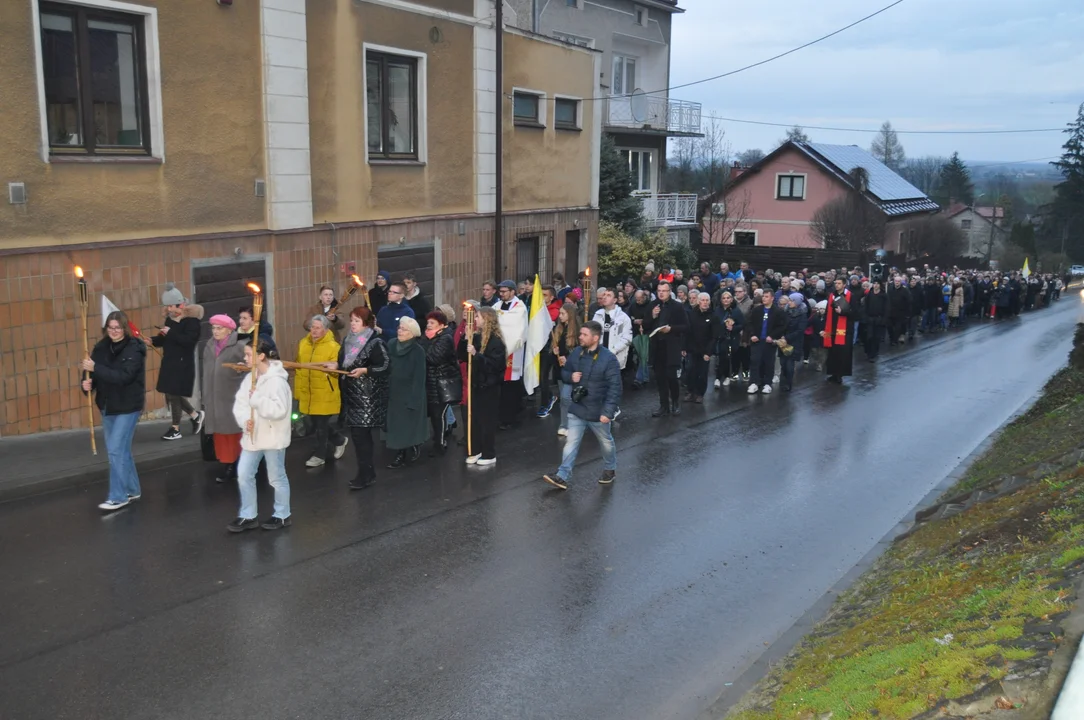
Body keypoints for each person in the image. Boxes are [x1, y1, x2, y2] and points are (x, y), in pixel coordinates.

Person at [542, 320, 621, 490]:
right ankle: (562, 476)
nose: (580, 337)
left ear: (595, 338)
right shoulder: (577, 352)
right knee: (571, 443)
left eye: (585, 335)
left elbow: (615, 388)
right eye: (581, 334)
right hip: (578, 407)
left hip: (598, 410)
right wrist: (571, 377)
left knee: (606, 442)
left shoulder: (609, 359)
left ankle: (610, 468)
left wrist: (608, 412)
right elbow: (564, 372)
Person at [82, 311, 147, 512]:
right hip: (108, 406)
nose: (114, 331)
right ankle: (132, 489)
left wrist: (96, 369)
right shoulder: (100, 347)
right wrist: (86, 384)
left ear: (125, 328)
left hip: (128, 406)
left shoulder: (134, 348)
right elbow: (90, 373)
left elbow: (124, 377)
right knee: (121, 451)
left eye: (117, 327)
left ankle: (118, 496)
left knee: (115, 450)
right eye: (110, 328)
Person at [228, 339, 293, 532]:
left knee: (276, 477)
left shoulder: (277, 381)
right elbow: (240, 404)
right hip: (253, 435)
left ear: (261, 356)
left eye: (249, 354)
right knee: (244, 474)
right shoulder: (250, 378)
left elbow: (279, 410)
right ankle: (248, 515)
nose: (245, 358)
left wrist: (256, 399)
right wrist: (244, 420)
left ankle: (282, 514)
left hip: (272, 436)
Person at [338, 307, 389, 490]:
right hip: (352, 397)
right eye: (351, 320)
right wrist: (334, 365)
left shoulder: (375, 342)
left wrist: (365, 371)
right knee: (358, 437)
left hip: (368, 398)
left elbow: (385, 366)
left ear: (366, 323)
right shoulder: (347, 341)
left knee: (362, 437)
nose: (352, 324)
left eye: (357, 321)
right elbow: (344, 364)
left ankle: (365, 474)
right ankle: (367, 473)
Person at [152, 284, 204, 441]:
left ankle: (175, 428)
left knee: (173, 393)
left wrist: (171, 332)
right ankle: (196, 415)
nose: (169, 309)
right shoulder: (170, 319)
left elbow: (189, 341)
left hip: (183, 362)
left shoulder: (192, 321)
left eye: (171, 306)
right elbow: (164, 338)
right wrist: (153, 340)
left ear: (181, 304)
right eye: (167, 306)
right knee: (170, 393)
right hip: (170, 361)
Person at [296, 315, 348, 467]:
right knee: (314, 423)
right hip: (309, 391)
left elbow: (336, 371)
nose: (314, 330)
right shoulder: (303, 344)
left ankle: (320, 455)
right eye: (312, 327)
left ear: (326, 330)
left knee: (321, 425)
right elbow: (299, 367)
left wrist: (333, 368)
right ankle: (339, 440)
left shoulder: (334, 347)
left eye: (318, 328)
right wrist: (299, 391)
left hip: (325, 391)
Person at [201, 314, 248, 484]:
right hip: (214, 396)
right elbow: (206, 371)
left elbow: (249, 369)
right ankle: (228, 463)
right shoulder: (209, 345)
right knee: (221, 433)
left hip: (232, 396)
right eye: (213, 328)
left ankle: (237, 465)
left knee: (235, 432)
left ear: (229, 330)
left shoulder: (239, 346)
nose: (215, 331)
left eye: (219, 328)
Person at [458, 306, 506, 466]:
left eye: (478, 317)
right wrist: (465, 338)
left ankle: (489, 453)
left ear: (487, 320)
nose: (475, 320)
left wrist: (476, 355)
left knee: (487, 421)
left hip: (489, 387)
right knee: (475, 419)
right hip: (476, 385)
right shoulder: (476, 337)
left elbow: (495, 365)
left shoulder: (496, 341)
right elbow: (461, 356)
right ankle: (475, 449)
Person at [385, 317, 429, 468]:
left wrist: (415, 399)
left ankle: (404, 452)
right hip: (394, 391)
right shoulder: (391, 345)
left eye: (403, 329)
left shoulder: (418, 351)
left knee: (408, 424)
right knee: (396, 425)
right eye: (399, 328)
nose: (399, 331)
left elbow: (419, 376)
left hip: (410, 391)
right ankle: (400, 450)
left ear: (412, 333)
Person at [645, 281, 688, 416]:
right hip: (657, 346)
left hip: (671, 346)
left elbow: (686, 326)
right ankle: (663, 406)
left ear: (670, 292)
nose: (661, 293)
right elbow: (646, 326)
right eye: (659, 291)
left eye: (664, 290)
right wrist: (652, 316)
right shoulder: (652, 305)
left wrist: (671, 329)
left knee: (671, 377)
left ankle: (675, 402)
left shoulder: (677, 307)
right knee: (660, 378)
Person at [423, 310, 462, 456]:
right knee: (434, 414)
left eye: (432, 323)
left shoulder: (445, 339)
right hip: (430, 382)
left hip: (441, 383)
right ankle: (438, 439)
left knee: (438, 414)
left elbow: (434, 358)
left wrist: (424, 347)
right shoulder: (427, 338)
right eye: (428, 322)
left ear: (441, 325)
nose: (428, 325)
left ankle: (440, 443)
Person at [495, 280, 528, 429]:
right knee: (499, 386)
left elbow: (518, 328)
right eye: (500, 292)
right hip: (497, 350)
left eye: (504, 291)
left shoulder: (519, 308)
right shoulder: (496, 306)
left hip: (512, 350)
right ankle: (499, 415)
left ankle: (510, 417)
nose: (501, 294)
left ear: (513, 292)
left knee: (511, 386)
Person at [743, 287, 787, 394]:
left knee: (768, 362)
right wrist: (752, 334)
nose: (764, 298)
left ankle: (767, 383)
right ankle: (754, 382)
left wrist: (772, 336)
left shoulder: (778, 312)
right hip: (757, 340)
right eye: (763, 296)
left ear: (772, 298)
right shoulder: (757, 310)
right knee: (755, 361)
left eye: (766, 296)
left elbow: (782, 326)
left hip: (769, 341)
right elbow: (749, 323)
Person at [549, 302, 580, 435]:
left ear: (570, 315)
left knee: (567, 397)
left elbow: (579, 351)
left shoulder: (577, 331)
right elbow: (558, 348)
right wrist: (555, 351)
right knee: (565, 398)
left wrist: (568, 358)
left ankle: (567, 425)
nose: (559, 316)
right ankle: (566, 424)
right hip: (560, 369)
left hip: (572, 369)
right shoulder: (559, 329)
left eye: (563, 313)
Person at [591, 288, 633, 380]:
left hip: (614, 357)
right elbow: (593, 334)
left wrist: (612, 351)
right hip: (599, 356)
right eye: (604, 295)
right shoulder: (598, 315)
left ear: (615, 300)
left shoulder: (623, 318)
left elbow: (627, 338)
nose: (605, 297)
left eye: (608, 295)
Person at [537, 284, 565, 417]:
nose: (542, 298)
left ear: (552, 297)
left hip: (551, 347)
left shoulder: (555, 310)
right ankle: (550, 397)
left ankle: (546, 402)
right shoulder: (540, 309)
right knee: (541, 377)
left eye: (545, 295)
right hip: (540, 346)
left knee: (546, 376)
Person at [684, 292, 717, 403]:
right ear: (698, 301)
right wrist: (683, 347)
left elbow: (714, 336)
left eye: (707, 300)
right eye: (702, 300)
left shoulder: (713, 316)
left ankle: (700, 393)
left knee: (702, 373)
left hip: (705, 350)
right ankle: (690, 391)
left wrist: (709, 352)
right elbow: (687, 332)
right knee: (690, 370)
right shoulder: (691, 314)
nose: (705, 302)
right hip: (692, 348)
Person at [823, 278, 856, 384]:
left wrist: (843, 312)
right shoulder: (832, 295)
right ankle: (833, 373)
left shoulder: (851, 296)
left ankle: (840, 375)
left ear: (844, 285)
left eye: (839, 283)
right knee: (832, 352)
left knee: (842, 352)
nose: (836, 285)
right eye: (835, 283)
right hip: (832, 327)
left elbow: (855, 313)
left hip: (844, 329)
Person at [713, 289, 744, 388]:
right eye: (724, 298)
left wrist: (733, 328)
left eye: (728, 298)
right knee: (720, 358)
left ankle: (726, 376)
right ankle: (718, 377)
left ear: (731, 299)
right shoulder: (717, 310)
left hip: (731, 338)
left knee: (727, 358)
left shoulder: (736, 311)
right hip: (720, 337)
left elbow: (742, 324)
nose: (726, 300)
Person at [778, 293, 808, 391]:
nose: (789, 302)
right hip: (783, 341)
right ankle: (782, 383)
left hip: (793, 342)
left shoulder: (802, 314)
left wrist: (787, 337)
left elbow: (800, 330)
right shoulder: (786, 311)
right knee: (783, 363)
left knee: (789, 365)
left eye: (792, 301)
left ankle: (788, 384)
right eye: (789, 300)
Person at [862, 280, 888, 362]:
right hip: (870, 318)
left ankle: (874, 353)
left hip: (879, 319)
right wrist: (865, 317)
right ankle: (869, 353)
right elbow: (865, 306)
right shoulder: (869, 294)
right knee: (869, 337)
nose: (876, 285)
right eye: (874, 283)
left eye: (877, 283)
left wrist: (884, 319)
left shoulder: (884, 295)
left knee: (876, 337)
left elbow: (887, 308)